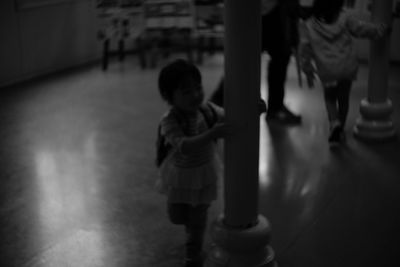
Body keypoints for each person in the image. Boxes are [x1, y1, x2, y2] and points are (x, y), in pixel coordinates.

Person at [156, 59, 231, 267]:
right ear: (169, 97)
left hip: (204, 173)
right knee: (177, 215)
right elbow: (183, 146)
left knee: (198, 218)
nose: (196, 95)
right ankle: (191, 230)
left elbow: (229, 116)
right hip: (179, 175)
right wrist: (212, 134)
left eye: (198, 88)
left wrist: (254, 107)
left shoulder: (207, 110)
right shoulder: (170, 120)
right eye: (186, 92)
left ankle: (193, 251)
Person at [299, 0, 388, 144]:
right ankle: (341, 127)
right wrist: (380, 29)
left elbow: (305, 49)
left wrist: (307, 69)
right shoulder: (344, 18)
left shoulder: (308, 24)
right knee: (343, 98)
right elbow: (361, 29)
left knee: (329, 98)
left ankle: (334, 124)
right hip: (347, 66)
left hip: (327, 69)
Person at [262, 0, 302, 124]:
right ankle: (275, 109)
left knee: (280, 60)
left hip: (274, 10)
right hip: (268, 11)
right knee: (279, 60)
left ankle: (276, 107)